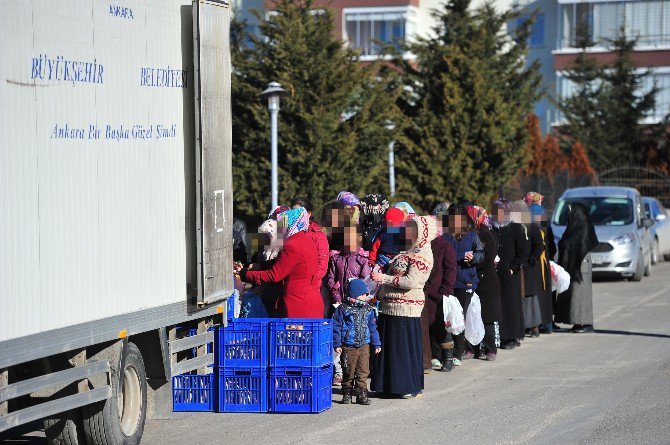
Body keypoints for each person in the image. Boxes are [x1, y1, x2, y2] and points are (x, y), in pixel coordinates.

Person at [370, 216, 436, 398]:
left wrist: (384, 278)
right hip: (389, 306)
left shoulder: (423, 254)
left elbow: (411, 281)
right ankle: (386, 386)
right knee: (389, 349)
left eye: (412, 230)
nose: (407, 233)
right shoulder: (405, 250)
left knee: (402, 350)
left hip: (406, 309)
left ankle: (405, 386)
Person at [238, 207, 324, 318]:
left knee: (295, 335)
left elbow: (274, 275)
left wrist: (246, 274)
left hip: (298, 304)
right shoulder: (306, 240)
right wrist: (260, 266)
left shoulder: (292, 245)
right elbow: (284, 262)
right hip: (311, 300)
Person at [326, 226, 371, 386]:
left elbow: (366, 282)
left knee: (355, 340)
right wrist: (335, 290)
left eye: (352, 238)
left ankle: (358, 375)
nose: (349, 241)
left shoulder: (363, 259)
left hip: (357, 307)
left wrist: (356, 295)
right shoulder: (336, 257)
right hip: (339, 304)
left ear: (359, 239)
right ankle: (339, 372)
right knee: (338, 337)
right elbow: (330, 278)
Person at [442, 203, 484, 365]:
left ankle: (457, 353)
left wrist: (473, 257)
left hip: (465, 282)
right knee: (447, 318)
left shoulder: (472, 236)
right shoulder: (445, 236)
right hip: (448, 282)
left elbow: (481, 254)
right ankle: (446, 352)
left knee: (460, 317)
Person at [332, 279, 381, 405]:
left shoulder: (368, 309)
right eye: (363, 294)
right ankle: (347, 392)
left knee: (363, 370)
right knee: (348, 370)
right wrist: (336, 343)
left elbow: (372, 327)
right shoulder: (343, 309)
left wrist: (376, 343)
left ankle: (361, 393)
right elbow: (336, 326)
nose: (366, 296)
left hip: (364, 345)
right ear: (354, 294)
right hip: (348, 345)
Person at [422, 205, 457, 372]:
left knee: (443, 326)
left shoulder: (445, 246)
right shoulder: (423, 246)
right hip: (425, 293)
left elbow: (450, 269)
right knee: (427, 326)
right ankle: (432, 357)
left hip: (440, 294)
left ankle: (448, 357)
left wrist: (446, 290)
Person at [492, 198, 530, 350]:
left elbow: (523, 252)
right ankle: (501, 336)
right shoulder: (492, 229)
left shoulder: (516, 229)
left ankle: (512, 337)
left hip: (510, 275)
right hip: (495, 275)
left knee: (511, 306)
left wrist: (513, 267)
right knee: (499, 305)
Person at [555, 203, 598, 333]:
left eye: (570, 211)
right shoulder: (573, 226)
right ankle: (576, 322)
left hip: (580, 267)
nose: (568, 214)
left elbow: (581, 245)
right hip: (573, 266)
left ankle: (585, 323)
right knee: (572, 296)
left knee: (580, 296)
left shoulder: (584, 227)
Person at [466, 205, 502, 361]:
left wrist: (473, 260)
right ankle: (472, 349)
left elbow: (489, 256)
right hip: (473, 277)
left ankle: (490, 349)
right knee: (471, 314)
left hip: (485, 279)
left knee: (486, 316)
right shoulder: (468, 233)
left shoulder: (486, 233)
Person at [512, 200, 544, 338]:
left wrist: (531, 260)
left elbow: (539, 246)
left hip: (529, 267)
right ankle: (524, 326)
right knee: (521, 297)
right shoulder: (514, 227)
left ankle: (535, 326)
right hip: (518, 266)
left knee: (530, 298)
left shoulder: (532, 226)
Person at [528, 203, 555, 334]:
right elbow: (553, 248)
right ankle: (547, 324)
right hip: (544, 264)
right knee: (545, 296)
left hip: (536, 266)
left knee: (538, 296)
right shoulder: (546, 227)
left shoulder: (531, 229)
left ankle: (537, 325)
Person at [291, 197, 329, 288]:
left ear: (309, 214)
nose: (295, 216)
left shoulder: (318, 235)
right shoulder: (289, 233)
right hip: (291, 284)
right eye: (293, 212)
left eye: (299, 213)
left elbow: (322, 265)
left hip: (309, 286)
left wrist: (311, 281)